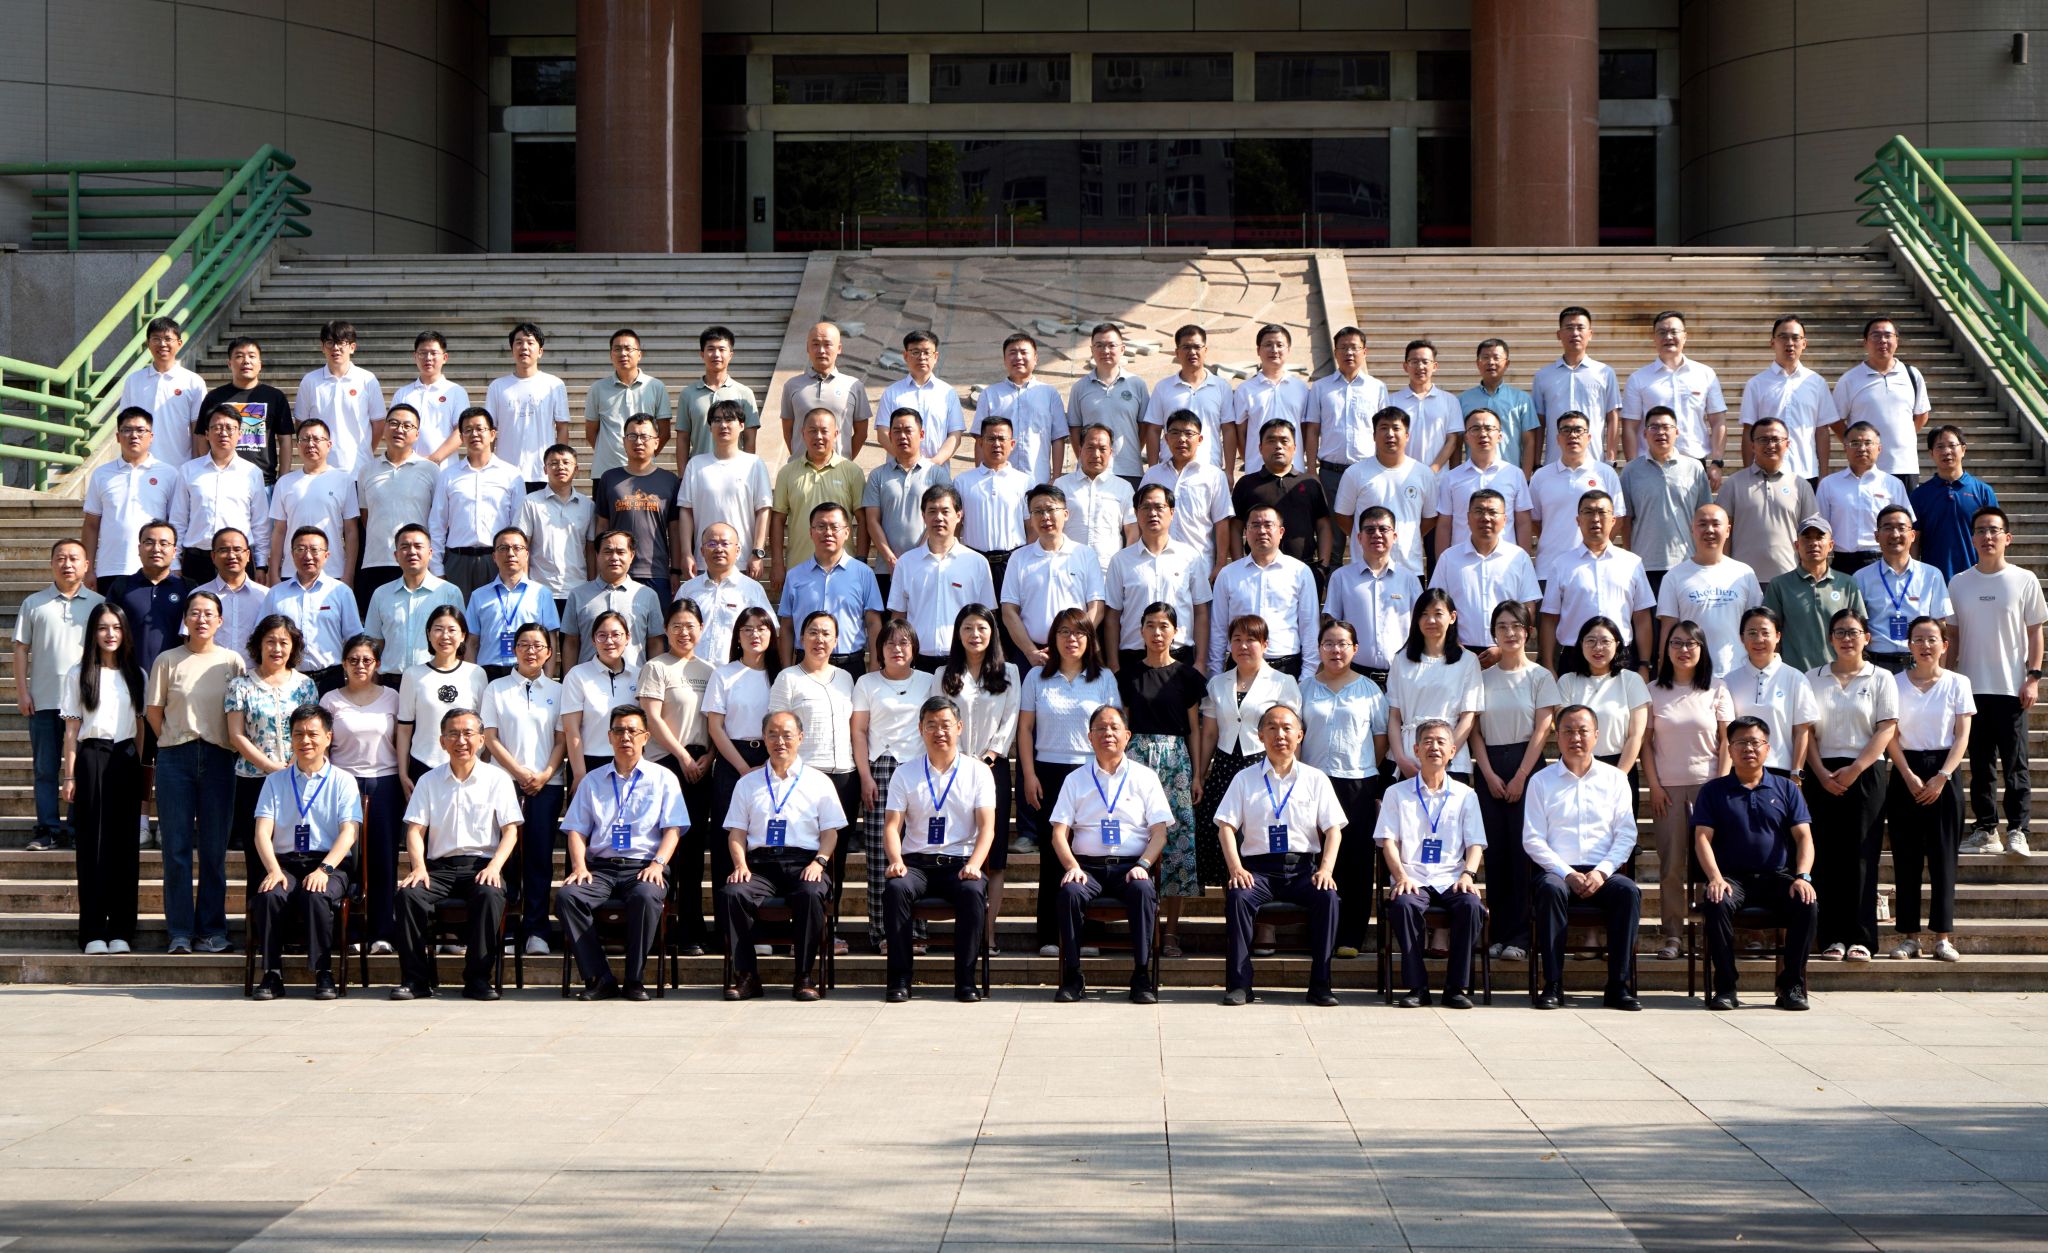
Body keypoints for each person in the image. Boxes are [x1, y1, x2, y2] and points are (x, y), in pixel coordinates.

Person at [1215, 703, 1346, 1006]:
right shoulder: (1244, 779)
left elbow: (1334, 830)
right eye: (1272, 728)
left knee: (1328, 897)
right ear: (1260, 735)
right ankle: (1239, 985)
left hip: (1302, 871)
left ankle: (1321, 985)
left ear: (1300, 735)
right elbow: (1225, 827)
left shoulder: (1315, 779)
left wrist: (1325, 870)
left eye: (1287, 728)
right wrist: (1236, 869)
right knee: (1238, 896)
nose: (1280, 735)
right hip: (1258, 871)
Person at [556, 703, 690, 1001]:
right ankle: (599, 977)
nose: (625, 737)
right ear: (609, 737)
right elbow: (576, 830)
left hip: (644, 866)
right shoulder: (592, 780)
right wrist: (579, 867)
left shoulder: (663, 778)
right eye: (618, 731)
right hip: (601, 868)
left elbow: (673, 829)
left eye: (632, 731)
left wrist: (658, 864)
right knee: (568, 897)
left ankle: (634, 979)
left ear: (646, 737)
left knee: (646, 896)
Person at [393, 709, 524, 1001]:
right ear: (442, 741)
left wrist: (495, 867)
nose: (461, 740)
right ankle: (416, 980)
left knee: (490, 894)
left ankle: (478, 979)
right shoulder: (428, 781)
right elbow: (414, 830)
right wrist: (418, 867)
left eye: (468, 733)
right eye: (453, 734)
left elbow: (510, 832)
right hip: (439, 869)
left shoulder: (498, 779)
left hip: (482, 866)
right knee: (408, 895)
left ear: (481, 740)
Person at [1693, 716, 1821, 1011]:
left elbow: (1804, 837)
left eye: (1755, 742)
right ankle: (1726, 986)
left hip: (1776, 877)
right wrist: (1715, 878)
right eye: (1740, 742)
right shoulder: (1713, 790)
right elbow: (1702, 838)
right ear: (1729, 748)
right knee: (1716, 901)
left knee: (1807, 902)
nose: (1748, 749)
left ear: (1767, 748)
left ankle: (1791, 984)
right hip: (1731, 879)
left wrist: (1803, 876)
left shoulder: (1786, 788)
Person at [1046, 705, 1171, 1003]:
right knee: (1070, 892)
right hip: (1087, 868)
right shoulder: (1075, 779)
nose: (1108, 734)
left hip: (1131, 866)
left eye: (1114, 728)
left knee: (1144, 889)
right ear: (1090, 737)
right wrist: (1072, 867)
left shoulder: (1145, 777)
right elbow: (1058, 834)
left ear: (1127, 735)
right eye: (1100, 728)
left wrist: (1143, 864)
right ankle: (1073, 976)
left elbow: (1160, 833)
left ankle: (1141, 976)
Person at [719, 710, 846, 1000]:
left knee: (811, 893)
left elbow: (830, 833)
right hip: (760, 865)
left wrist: (820, 861)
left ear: (800, 737)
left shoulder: (818, 782)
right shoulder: (747, 783)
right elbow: (736, 833)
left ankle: (804, 976)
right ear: (764, 739)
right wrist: (740, 865)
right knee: (733, 893)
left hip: (804, 862)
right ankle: (747, 976)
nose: (780, 741)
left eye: (787, 735)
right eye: (773, 734)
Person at [1522, 705, 1642, 1010]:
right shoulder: (1541, 781)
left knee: (1628, 891)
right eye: (1568, 731)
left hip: (1602, 872)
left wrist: (1601, 872)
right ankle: (1553, 984)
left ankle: (1618, 985)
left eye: (1583, 731)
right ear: (1557, 737)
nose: (1576, 737)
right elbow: (1532, 839)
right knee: (1549, 889)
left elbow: (1626, 834)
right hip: (1558, 872)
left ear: (1596, 735)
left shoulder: (1615, 779)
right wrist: (1567, 873)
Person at [880, 696, 998, 1003]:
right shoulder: (905, 772)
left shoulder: (978, 772)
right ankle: (900, 980)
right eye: (931, 725)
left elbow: (987, 828)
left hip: (959, 863)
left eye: (946, 724)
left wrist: (974, 864)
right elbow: (892, 826)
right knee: (895, 888)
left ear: (959, 727)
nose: (939, 732)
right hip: (916, 864)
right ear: (920, 729)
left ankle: (966, 981)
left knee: (973, 891)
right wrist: (895, 860)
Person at [1018, 607, 1122, 954]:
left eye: (1078, 633)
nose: (1071, 639)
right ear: (1053, 639)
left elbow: (1114, 727)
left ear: (1090, 639)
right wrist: (1029, 774)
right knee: (1052, 853)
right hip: (1048, 771)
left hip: (1092, 773)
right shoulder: (1036, 677)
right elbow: (1025, 729)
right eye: (1063, 632)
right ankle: (1050, 935)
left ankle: (1087, 934)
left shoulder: (1103, 678)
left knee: (1088, 851)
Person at [146, 591, 245, 954]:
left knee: (214, 850)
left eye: (209, 614)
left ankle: (212, 930)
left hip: (220, 758)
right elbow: (154, 711)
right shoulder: (167, 660)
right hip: (175, 758)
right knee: (176, 849)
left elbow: (239, 712)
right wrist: (173, 739)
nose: (202, 619)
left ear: (220, 621)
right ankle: (180, 932)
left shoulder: (232, 661)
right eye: (195, 613)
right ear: (185, 619)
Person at [247, 703, 362, 1001]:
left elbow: (349, 833)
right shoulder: (274, 781)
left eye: (313, 734)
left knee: (316, 893)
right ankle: (272, 973)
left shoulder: (343, 781)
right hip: (284, 863)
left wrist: (324, 869)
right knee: (269, 895)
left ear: (328, 737)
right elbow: (262, 832)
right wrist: (273, 870)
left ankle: (323, 972)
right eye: (298, 734)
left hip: (328, 863)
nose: (305, 740)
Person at [1950, 507, 2046, 856]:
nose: (1987, 536)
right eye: (1980, 530)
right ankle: (1986, 829)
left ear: (2007, 537)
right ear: (1972, 538)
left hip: (2011, 688)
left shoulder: (2024, 579)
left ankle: (2018, 830)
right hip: (1971, 689)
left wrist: (2033, 677)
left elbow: (2035, 633)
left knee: (2016, 764)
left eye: (1993, 530)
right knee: (1980, 766)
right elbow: (1953, 638)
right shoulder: (1959, 582)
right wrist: (1947, 681)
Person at [1804, 608, 1898, 964]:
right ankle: (1830, 937)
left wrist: (1856, 768)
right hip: (1822, 772)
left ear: (1866, 638)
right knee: (1826, 855)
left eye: (1853, 632)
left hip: (1867, 772)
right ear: (1830, 638)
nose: (1847, 639)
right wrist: (1819, 772)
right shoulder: (1812, 677)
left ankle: (1861, 937)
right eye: (1840, 632)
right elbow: (1805, 731)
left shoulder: (1881, 677)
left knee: (1862, 856)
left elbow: (1886, 728)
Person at [1376, 717, 1486, 1008]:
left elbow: (1475, 843)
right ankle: (1417, 987)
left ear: (1452, 751)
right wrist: (1400, 877)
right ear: (1416, 749)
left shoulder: (1466, 795)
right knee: (1403, 905)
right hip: (1412, 876)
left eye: (1440, 742)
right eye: (1427, 741)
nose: (1434, 747)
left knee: (1472, 906)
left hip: (1451, 877)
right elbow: (1388, 842)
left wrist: (1468, 874)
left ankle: (1456, 988)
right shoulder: (1396, 793)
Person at [1470, 601, 1558, 964]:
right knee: (1496, 853)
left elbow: (1543, 729)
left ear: (1529, 632)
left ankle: (1521, 935)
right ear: (1493, 633)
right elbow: (1474, 730)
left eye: (1516, 626)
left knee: (1524, 855)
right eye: (1502, 626)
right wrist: (1489, 774)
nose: (1509, 633)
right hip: (1489, 765)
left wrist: (1521, 775)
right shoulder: (1481, 677)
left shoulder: (1540, 676)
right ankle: (1499, 933)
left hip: (1528, 765)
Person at [768, 612, 861, 952]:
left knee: (837, 857)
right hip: (804, 778)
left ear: (836, 641)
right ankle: (802, 933)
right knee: (805, 854)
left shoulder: (847, 679)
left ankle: (829, 930)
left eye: (826, 634)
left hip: (844, 776)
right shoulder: (788, 678)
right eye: (813, 632)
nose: (819, 640)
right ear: (801, 638)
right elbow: (776, 726)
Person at [1115, 603, 1204, 958]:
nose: (1157, 632)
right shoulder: (1127, 675)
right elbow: (1122, 725)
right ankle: (1144, 924)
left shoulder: (1187, 676)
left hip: (1176, 762)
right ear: (1140, 631)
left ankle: (1170, 931)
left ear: (1175, 632)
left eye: (1164, 625)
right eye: (1150, 625)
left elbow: (1194, 728)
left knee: (1177, 842)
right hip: (1136, 759)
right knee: (1137, 836)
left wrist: (1197, 773)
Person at [1641, 619, 1732, 962]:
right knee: (1671, 866)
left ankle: (1711, 932)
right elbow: (1645, 743)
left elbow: (1726, 742)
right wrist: (1654, 785)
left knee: (1710, 866)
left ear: (1702, 649)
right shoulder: (1653, 690)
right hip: (1667, 790)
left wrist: (1721, 786)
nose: (1683, 650)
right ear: (1666, 650)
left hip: (1708, 788)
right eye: (1676, 643)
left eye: (1691, 643)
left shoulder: (1717, 688)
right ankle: (1673, 935)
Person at [1300, 619, 1389, 961]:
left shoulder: (1370, 690)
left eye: (1342, 644)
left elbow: (1380, 740)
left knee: (1356, 860)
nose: (1335, 650)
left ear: (1355, 649)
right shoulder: (1305, 688)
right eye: (1328, 643)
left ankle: (1351, 934)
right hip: (1314, 782)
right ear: (1318, 648)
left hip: (1358, 783)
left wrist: (1360, 770)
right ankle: (1322, 930)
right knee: (1317, 857)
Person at [1194, 616, 1301, 899]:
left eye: (1251, 640)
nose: (1243, 646)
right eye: (1237, 640)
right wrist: (1199, 775)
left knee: (1257, 835)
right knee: (1221, 834)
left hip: (1263, 765)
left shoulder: (1283, 682)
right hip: (1225, 767)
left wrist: (1294, 774)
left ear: (1265, 645)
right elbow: (1209, 733)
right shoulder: (1218, 683)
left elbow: (1292, 733)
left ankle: (1257, 909)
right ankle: (1232, 907)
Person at [1888, 616, 1974, 962]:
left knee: (1943, 859)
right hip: (1905, 771)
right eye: (1918, 639)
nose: (1925, 646)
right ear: (1909, 645)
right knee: (1906, 857)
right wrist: (1907, 775)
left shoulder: (1958, 683)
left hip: (1945, 772)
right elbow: (1890, 734)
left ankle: (1942, 936)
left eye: (1932, 639)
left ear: (1945, 645)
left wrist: (1942, 776)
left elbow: (1962, 735)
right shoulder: (1894, 683)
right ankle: (1909, 937)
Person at [480, 623, 568, 958]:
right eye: (524, 645)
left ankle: (536, 931)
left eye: (538, 645)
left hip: (547, 785)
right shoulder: (497, 688)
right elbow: (490, 738)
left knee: (539, 859)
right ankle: (503, 928)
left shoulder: (558, 690)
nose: (531, 651)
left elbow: (562, 738)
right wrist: (518, 773)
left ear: (549, 652)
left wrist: (544, 774)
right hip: (504, 783)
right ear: (513, 649)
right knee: (505, 858)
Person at [59, 603, 143, 954]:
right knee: (92, 846)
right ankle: (93, 930)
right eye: (103, 628)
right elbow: (71, 731)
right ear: (93, 633)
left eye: (117, 628)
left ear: (125, 632)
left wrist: (141, 768)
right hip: (91, 757)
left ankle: (122, 929)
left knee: (125, 847)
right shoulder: (78, 674)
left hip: (126, 758)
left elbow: (139, 727)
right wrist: (69, 776)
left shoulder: (136, 674)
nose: (110, 634)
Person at [850, 619, 938, 952]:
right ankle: (883, 931)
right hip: (881, 769)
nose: (897, 649)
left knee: (916, 849)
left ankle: (916, 931)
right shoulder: (866, 682)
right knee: (879, 854)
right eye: (890, 643)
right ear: (880, 649)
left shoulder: (929, 681)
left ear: (914, 649)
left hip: (920, 769)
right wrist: (865, 775)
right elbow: (859, 731)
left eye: (904, 643)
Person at [636, 599, 717, 954]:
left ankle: (692, 928)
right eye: (677, 626)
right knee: (666, 848)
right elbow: (652, 719)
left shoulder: (710, 670)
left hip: (701, 765)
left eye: (690, 626)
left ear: (702, 629)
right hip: (667, 763)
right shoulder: (656, 667)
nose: (684, 633)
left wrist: (709, 756)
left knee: (695, 850)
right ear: (666, 630)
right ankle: (659, 928)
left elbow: (716, 721)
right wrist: (683, 756)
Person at [941, 604, 1021, 952]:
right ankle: (965, 930)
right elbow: (938, 718)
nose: (975, 635)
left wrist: (992, 753)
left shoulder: (1010, 672)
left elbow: (1011, 718)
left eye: (982, 628)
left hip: (992, 767)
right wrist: (956, 758)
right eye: (968, 628)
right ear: (958, 633)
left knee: (994, 855)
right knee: (958, 847)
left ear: (993, 633)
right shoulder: (944, 673)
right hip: (952, 770)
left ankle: (988, 933)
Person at [17, 540, 104, 853]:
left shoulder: (99, 604)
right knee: (45, 768)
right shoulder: (34, 603)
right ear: (52, 563)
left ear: (86, 565)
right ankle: (47, 829)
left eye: (74, 558)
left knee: (82, 768)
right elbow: (21, 648)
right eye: (61, 558)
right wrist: (22, 691)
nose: (67, 564)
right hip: (44, 700)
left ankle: (78, 827)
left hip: (86, 702)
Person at [224, 616, 319, 902]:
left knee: (295, 852)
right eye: (270, 642)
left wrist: (290, 767)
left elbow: (311, 732)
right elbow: (236, 735)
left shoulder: (305, 686)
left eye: (284, 643)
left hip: (297, 779)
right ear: (258, 645)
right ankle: (260, 919)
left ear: (293, 647)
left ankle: (295, 914)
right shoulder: (240, 685)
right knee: (257, 855)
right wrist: (270, 768)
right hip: (253, 781)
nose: (277, 649)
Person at [322, 635, 403, 955]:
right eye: (353, 660)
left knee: (383, 859)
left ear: (378, 664)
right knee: (349, 860)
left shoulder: (393, 697)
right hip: (343, 784)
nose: (360, 666)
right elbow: (324, 747)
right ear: (343, 664)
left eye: (367, 660)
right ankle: (350, 931)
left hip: (385, 783)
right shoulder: (330, 699)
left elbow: (402, 740)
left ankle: (383, 931)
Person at [704, 605, 777, 901]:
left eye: (761, 628)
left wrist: (768, 764)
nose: (754, 634)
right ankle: (727, 917)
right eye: (747, 629)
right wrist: (744, 769)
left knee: (764, 834)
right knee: (727, 834)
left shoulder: (781, 675)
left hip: (772, 759)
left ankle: (763, 916)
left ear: (771, 634)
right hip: (732, 759)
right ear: (737, 636)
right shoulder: (724, 674)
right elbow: (715, 727)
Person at [1538, 490, 1654, 671]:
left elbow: (1642, 618)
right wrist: (1548, 666)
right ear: (1578, 520)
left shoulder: (1632, 563)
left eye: (1602, 512)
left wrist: (1644, 665)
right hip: (1574, 658)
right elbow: (1549, 619)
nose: (1596, 519)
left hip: (1620, 657)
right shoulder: (1561, 565)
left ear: (1613, 520)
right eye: (1588, 512)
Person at [1103, 484, 1211, 673]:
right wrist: (1114, 665)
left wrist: (1200, 661)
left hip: (1180, 657)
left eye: (1159, 507)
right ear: (1136, 513)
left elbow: (1201, 612)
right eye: (1145, 507)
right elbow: (1112, 616)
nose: (1152, 513)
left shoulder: (1190, 557)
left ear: (1172, 512)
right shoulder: (1121, 561)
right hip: (1133, 658)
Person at [1427, 489, 1540, 667]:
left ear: (1505, 519)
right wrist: (1451, 644)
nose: (1485, 518)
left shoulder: (1519, 558)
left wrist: (1504, 648)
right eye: (1479, 511)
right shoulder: (1449, 558)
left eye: (1493, 512)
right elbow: (1436, 605)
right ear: (1468, 517)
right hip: (1458, 653)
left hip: (1507, 653)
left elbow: (1528, 608)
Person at [887, 485, 996, 668]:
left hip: (964, 660)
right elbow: (898, 616)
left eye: (945, 511)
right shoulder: (906, 563)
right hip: (917, 661)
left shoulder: (977, 562)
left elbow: (987, 616)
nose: (938, 518)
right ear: (923, 516)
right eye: (932, 511)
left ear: (959, 515)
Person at [1002, 484, 1106, 669]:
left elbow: (1096, 608)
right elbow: (1009, 611)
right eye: (1037, 511)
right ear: (1031, 519)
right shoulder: (1019, 558)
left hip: (1076, 652)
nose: (1045, 517)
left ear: (1065, 514)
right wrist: (1030, 652)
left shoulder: (1085, 554)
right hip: (1033, 655)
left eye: (1050, 509)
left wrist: (1073, 642)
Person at [1208, 505, 1318, 676]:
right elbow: (1218, 629)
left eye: (1268, 525)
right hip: (1239, 667)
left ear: (1281, 531)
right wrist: (1215, 674)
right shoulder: (1228, 574)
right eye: (1255, 525)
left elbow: (1309, 627)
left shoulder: (1300, 572)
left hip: (1286, 667)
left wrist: (1307, 676)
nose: (1262, 531)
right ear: (1246, 532)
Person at [1655, 504, 1763, 678]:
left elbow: (1755, 625)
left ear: (1728, 530)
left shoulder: (1744, 573)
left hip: (1739, 673)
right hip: (1691, 675)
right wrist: (1664, 674)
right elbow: (1668, 630)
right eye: (1702, 524)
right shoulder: (1673, 577)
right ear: (1692, 530)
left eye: (1716, 524)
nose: (1709, 530)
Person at [1386, 588, 1484, 781]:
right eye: (1424, 614)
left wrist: (1444, 757)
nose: (1430, 620)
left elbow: (1468, 717)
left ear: (1452, 617)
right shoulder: (1401, 660)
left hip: (1450, 759)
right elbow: (1394, 716)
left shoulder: (1467, 661)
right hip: (1408, 757)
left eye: (1438, 614)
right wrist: (1401, 759)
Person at [430, 407, 525, 603]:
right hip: (457, 561)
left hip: (497, 561)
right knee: (456, 618)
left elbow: (518, 525)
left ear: (492, 434)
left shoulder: (511, 475)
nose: (474, 434)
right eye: (468, 430)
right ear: (461, 437)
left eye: (480, 429)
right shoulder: (448, 475)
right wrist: (437, 568)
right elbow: (437, 524)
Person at [354, 404, 441, 614]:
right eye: (393, 423)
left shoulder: (431, 470)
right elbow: (365, 517)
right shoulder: (367, 470)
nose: (399, 429)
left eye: (407, 425)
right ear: (384, 428)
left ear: (417, 434)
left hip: (416, 562)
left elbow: (437, 519)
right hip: (376, 561)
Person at [777, 502, 882, 675]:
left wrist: (874, 668)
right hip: (805, 666)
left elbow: (873, 623)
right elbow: (787, 626)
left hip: (850, 665)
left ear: (847, 532)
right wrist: (787, 669)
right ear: (811, 532)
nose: (828, 532)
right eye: (821, 526)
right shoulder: (795, 575)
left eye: (835, 527)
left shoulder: (864, 573)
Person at [1555, 618, 1651, 808]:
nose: (1598, 648)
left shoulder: (1631, 680)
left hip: (1619, 766)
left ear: (1617, 644)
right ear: (1580, 644)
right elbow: (1563, 730)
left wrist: (1619, 777)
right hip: (1574, 769)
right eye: (1590, 641)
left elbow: (1636, 736)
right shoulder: (1567, 681)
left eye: (1605, 641)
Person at [1524, 410, 1626, 587]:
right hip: (1549, 568)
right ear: (1557, 439)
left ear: (1589, 437)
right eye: (1566, 430)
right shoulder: (1541, 476)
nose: (1572, 435)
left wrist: (1595, 545)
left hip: (1592, 568)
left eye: (1579, 430)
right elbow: (1534, 521)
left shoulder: (1605, 473)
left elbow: (1618, 518)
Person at [862, 408, 954, 603]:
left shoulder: (937, 474)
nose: (902, 436)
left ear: (921, 434)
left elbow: (943, 518)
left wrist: (918, 557)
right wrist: (890, 558)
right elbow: (872, 521)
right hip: (887, 569)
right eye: (896, 431)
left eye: (908, 430)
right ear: (890, 436)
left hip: (928, 565)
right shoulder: (878, 476)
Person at [82, 407, 180, 589]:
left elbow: (176, 523)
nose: (134, 435)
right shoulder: (101, 474)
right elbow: (91, 525)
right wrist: (88, 570)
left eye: (140, 430)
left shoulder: (169, 474)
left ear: (151, 436)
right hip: (110, 568)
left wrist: (175, 564)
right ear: (118, 437)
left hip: (155, 568)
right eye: (127, 430)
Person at [593, 413, 684, 610]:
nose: (639, 441)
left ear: (656, 442)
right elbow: (601, 526)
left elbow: (675, 530)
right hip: (616, 570)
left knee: (657, 628)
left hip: (656, 572)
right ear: (624, 441)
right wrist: (599, 567)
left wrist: (675, 571)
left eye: (645, 436)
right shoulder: (609, 479)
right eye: (632, 436)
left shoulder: (669, 481)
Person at [1621, 405, 1714, 596]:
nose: (1660, 432)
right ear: (1645, 434)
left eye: (1666, 427)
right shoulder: (1631, 471)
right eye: (1654, 427)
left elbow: (1704, 516)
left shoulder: (1695, 468)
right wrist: (1631, 558)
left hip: (1686, 563)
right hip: (1645, 564)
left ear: (1677, 432)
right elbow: (1626, 521)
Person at [1623, 311, 1728, 479]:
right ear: (1654, 338)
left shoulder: (1705, 374)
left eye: (1674, 332)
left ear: (1685, 336)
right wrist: (1633, 466)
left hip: (1694, 462)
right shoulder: (1638, 378)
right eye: (1662, 332)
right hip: (1651, 464)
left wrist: (1717, 462)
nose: (1668, 337)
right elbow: (1630, 426)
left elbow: (1718, 421)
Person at [1325, 507, 1423, 684]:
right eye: (1369, 530)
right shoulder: (1341, 578)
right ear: (1359, 537)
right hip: (1354, 677)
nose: (1377, 534)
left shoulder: (1409, 580)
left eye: (1383, 529)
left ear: (1394, 536)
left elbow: (1421, 627)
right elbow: (1332, 629)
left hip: (1402, 678)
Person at [1333, 406, 1436, 575]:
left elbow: (1430, 518)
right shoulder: (1355, 473)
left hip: (1409, 568)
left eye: (1396, 428)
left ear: (1407, 435)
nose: (1390, 434)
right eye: (1383, 428)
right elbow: (1343, 516)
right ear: (1374, 436)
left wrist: (1406, 536)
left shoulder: (1423, 473)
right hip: (1365, 567)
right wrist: (1368, 538)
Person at [174, 405, 271, 584]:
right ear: (207, 434)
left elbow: (260, 524)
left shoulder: (252, 473)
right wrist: (174, 562)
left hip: (238, 560)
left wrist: (261, 565)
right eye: (217, 427)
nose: (223, 433)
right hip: (197, 560)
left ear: (239, 434)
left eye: (229, 428)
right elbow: (178, 519)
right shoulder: (188, 471)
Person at [1720, 607, 1821, 779]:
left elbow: (1802, 732)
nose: (1759, 639)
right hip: (1737, 772)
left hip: (1780, 772)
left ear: (1778, 636)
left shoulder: (1796, 678)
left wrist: (1796, 774)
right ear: (1742, 638)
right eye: (1752, 633)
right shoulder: (1729, 681)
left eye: (1765, 633)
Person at [769, 408, 865, 587]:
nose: (818, 436)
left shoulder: (852, 471)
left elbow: (863, 519)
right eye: (812, 431)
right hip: (799, 567)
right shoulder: (787, 473)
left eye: (824, 431)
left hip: (843, 569)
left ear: (836, 434)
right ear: (803, 433)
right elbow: (777, 519)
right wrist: (777, 563)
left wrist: (861, 560)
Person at [678, 399, 772, 581]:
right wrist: (686, 553)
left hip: (743, 562)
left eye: (729, 419)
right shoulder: (695, 465)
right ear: (710, 427)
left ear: (742, 425)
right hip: (704, 562)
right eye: (717, 420)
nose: (723, 425)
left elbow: (763, 510)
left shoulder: (754, 464)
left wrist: (757, 552)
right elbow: (686, 511)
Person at [1832, 316, 1929, 490]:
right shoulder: (1850, 379)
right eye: (1876, 335)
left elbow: (1922, 415)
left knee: (1905, 509)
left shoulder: (1912, 375)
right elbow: (1836, 420)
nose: (1882, 340)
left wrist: (1901, 437)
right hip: (1866, 467)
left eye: (1888, 335)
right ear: (1865, 342)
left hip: (1905, 466)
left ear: (1897, 341)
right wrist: (1855, 444)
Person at [1717, 416, 1817, 584]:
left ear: (1787, 444)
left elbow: (1811, 534)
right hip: (1741, 580)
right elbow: (1723, 535)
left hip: (1789, 579)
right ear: (1752, 445)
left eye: (1776, 439)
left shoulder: (1801, 485)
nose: (1770, 445)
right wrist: (1723, 573)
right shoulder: (1733, 484)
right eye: (1763, 439)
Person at [397, 604, 489, 786]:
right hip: (423, 764)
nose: (445, 636)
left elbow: (484, 727)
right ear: (429, 634)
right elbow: (404, 729)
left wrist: (484, 761)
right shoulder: (412, 675)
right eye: (438, 629)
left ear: (463, 635)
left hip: (468, 765)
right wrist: (403, 774)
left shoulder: (476, 673)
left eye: (452, 630)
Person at [1761, 515, 1866, 673]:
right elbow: (1770, 633)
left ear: (1831, 545)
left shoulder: (1847, 584)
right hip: (1794, 675)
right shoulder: (1779, 585)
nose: (1813, 543)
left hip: (1838, 674)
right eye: (1807, 537)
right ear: (1797, 545)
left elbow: (1859, 632)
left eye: (1819, 537)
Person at [362, 523, 464, 682]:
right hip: (391, 682)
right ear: (396, 555)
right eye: (405, 547)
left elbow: (459, 642)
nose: (412, 552)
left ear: (430, 553)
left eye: (418, 546)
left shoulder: (449, 592)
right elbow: (374, 643)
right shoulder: (381, 594)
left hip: (435, 680)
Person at [1738, 315, 1836, 481]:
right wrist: (1748, 474)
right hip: (1765, 473)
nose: (1789, 343)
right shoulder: (1756, 384)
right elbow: (1749, 431)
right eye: (1783, 337)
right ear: (1772, 342)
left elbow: (1822, 431)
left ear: (1804, 343)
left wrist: (1823, 475)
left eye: (1795, 338)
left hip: (1806, 472)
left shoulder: (1817, 383)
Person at [1854, 506, 1951, 673]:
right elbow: (1856, 627)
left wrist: (1939, 673)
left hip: (1919, 664)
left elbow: (1941, 626)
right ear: (1877, 536)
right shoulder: (1861, 577)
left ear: (1912, 535)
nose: (1895, 534)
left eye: (1901, 528)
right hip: (1876, 665)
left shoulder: (1932, 575)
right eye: (1888, 528)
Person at [1137, 410, 1233, 573]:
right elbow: (1140, 516)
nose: (1181, 439)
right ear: (1166, 439)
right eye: (1175, 433)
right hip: (1157, 566)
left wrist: (1220, 563)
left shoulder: (1214, 476)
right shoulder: (1153, 475)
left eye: (1189, 433)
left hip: (1200, 566)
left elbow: (1222, 522)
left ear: (1200, 439)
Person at [1229, 420, 1331, 572]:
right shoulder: (1246, 484)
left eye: (1284, 441)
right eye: (1271, 441)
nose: (1278, 446)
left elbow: (1323, 526)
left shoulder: (1310, 483)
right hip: (1257, 570)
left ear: (1295, 448)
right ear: (1260, 448)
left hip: (1304, 570)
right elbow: (1235, 528)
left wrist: (1323, 568)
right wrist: (1239, 566)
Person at [267, 420, 360, 585]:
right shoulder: (285, 482)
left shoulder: (344, 481)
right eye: (305, 439)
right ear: (297, 445)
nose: (310, 444)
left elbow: (351, 531)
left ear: (329, 445)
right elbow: (279, 531)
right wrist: (273, 572)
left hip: (333, 571)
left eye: (317, 439)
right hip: (291, 572)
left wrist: (349, 574)